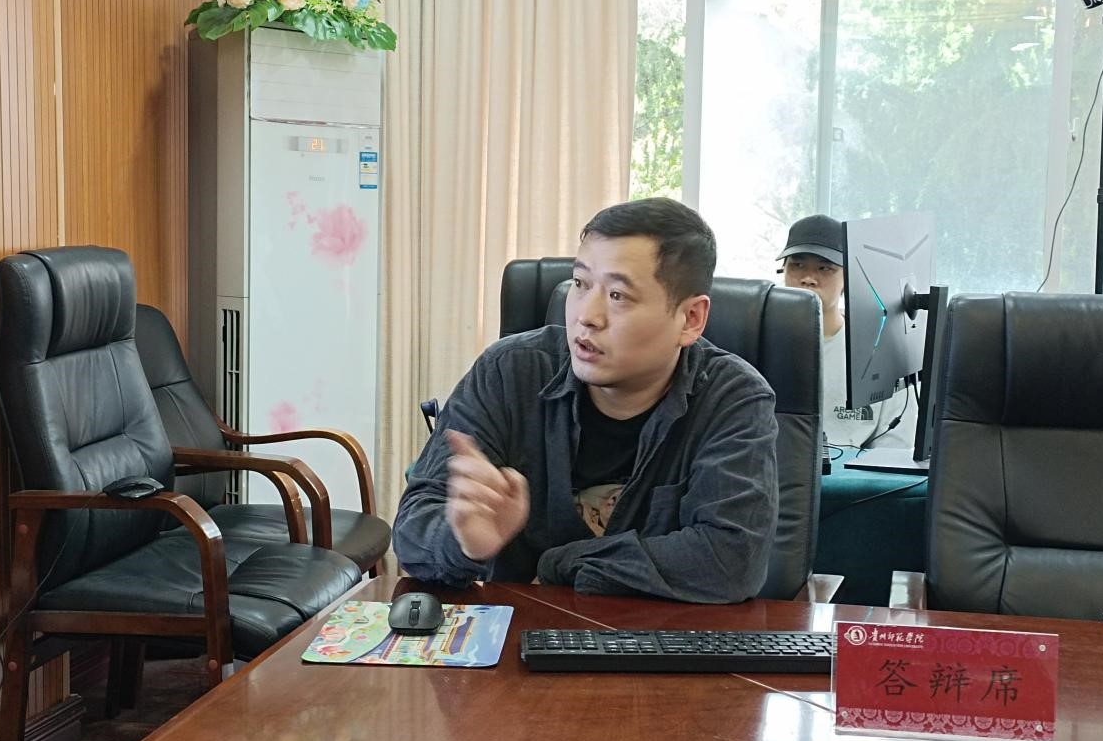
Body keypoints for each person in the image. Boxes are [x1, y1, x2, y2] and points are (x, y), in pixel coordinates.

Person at [393, 197, 778, 603]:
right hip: (510, 632)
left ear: (690, 319)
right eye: (580, 284)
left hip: (653, 635)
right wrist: (464, 541)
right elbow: (413, 527)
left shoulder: (733, 398)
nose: (586, 316)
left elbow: (732, 559)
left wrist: (558, 566)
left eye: (618, 295)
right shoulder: (509, 371)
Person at [777, 214, 917, 450]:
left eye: (825, 268)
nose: (809, 278)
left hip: (853, 472)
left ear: (847, 278)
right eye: (797, 265)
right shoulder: (755, 344)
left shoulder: (879, 353)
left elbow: (895, 451)